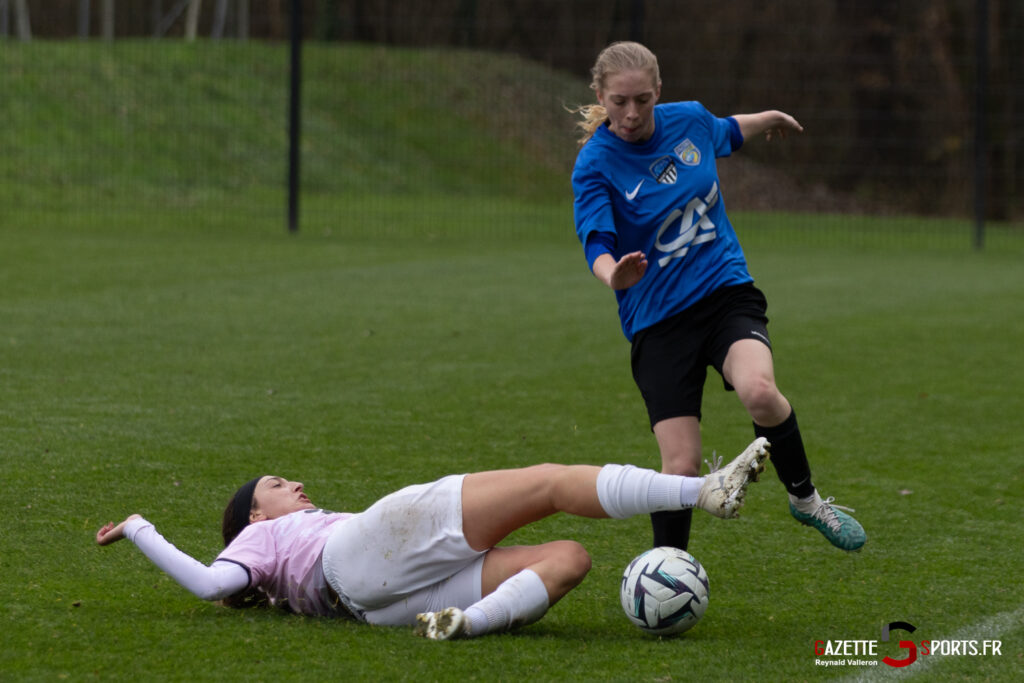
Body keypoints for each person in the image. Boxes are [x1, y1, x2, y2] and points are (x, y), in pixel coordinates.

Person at [570, 41, 865, 553]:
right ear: (601, 95)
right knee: (680, 467)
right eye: (619, 101)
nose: (632, 112)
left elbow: (727, 130)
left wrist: (766, 117)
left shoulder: (689, 120)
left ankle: (806, 500)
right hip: (657, 320)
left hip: (724, 293)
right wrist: (611, 276)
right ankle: (668, 571)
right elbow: (597, 241)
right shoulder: (595, 164)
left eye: (643, 99)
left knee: (759, 392)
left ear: (659, 92)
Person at [96, 438, 769, 640]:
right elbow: (213, 583)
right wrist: (138, 526)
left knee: (569, 558)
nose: (293, 482)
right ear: (255, 516)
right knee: (549, 481)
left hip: (380, 603)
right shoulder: (262, 542)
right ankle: (703, 492)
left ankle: (460, 625)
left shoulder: (281, 551)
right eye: (276, 482)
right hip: (360, 556)